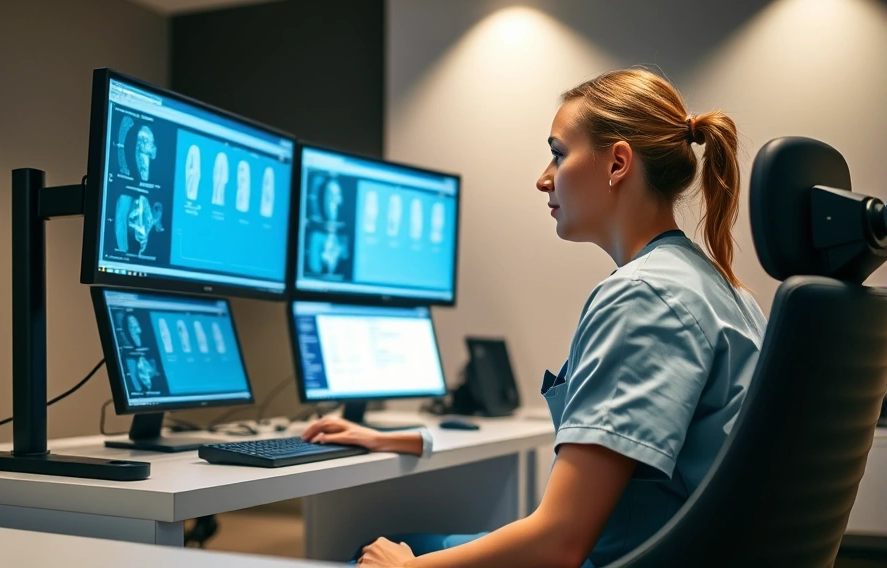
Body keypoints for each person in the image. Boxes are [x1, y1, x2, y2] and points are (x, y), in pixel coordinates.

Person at [301, 68, 767, 568]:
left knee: (374, 551)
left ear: (617, 163)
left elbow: (560, 542)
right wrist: (396, 438)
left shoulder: (643, 297)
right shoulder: (719, 288)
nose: (543, 177)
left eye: (559, 154)